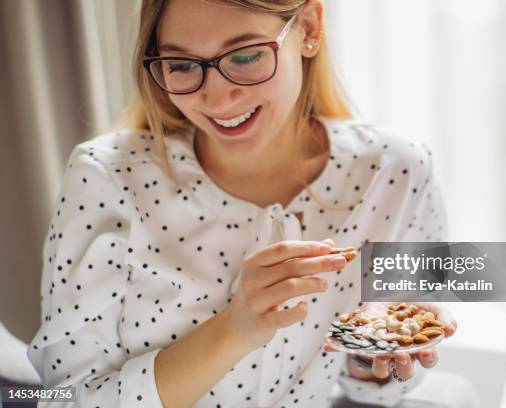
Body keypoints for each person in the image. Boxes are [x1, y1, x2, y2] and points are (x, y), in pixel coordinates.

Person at [26, 0, 459, 407]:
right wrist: (234, 330)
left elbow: (374, 393)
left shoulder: (397, 172)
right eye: (181, 64)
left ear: (309, 29)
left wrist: (372, 357)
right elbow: (62, 399)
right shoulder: (107, 177)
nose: (216, 99)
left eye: (246, 56)